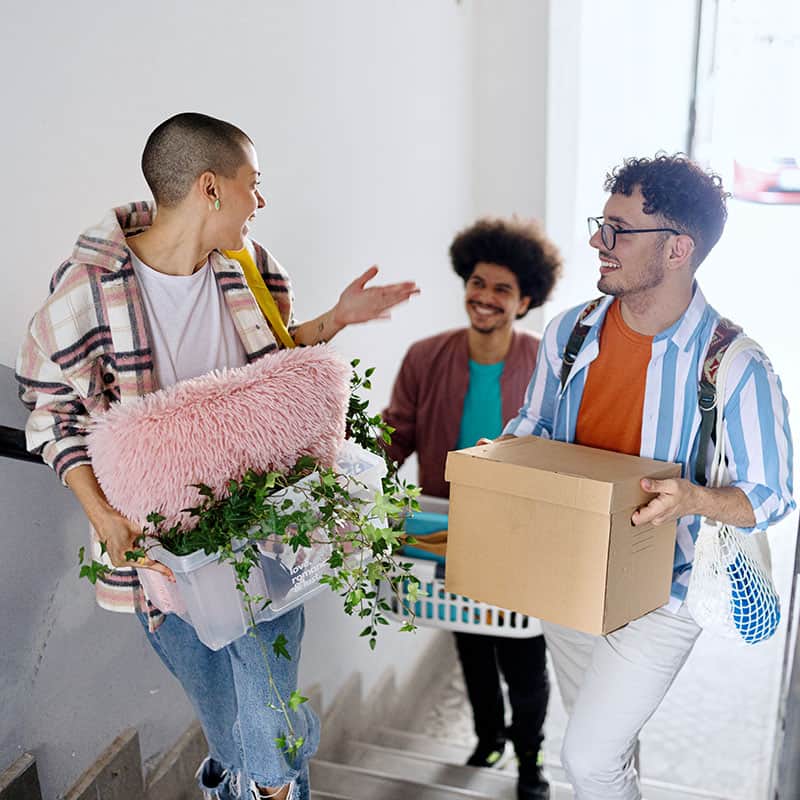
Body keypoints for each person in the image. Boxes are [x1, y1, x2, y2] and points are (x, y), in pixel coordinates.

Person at [15, 112, 419, 800]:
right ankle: (236, 781)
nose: (260, 200)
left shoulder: (252, 267)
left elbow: (276, 367)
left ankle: (269, 784)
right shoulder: (88, 292)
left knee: (267, 726)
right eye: (252, 184)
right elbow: (55, 417)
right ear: (210, 188)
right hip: (162, 555)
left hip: (262, 532)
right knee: (228, 724)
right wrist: (104, 518)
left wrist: (335, 321)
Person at [501, 153, 794, 800]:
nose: (597, 242)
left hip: (667, 591)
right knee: (603, 737)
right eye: (600, 224)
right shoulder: (569, 332)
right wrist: (501, 461)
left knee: (587, 759)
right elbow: (534, 424)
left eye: (619, 230)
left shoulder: (737, 365)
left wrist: (692, 497)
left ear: (677, 249)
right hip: (570, 571)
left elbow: (772, 496)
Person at [382, 217, 562, 800]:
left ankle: (530, 757)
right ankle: (488, 740)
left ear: (525, 300)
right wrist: (351, 480)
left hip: (520, 539)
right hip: (449, 532)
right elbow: (395, 435)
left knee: (524, 657)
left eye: (502, 289)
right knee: (471, 645)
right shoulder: (424, 357)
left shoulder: (546, 366)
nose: (485, 297)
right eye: (478, 283)